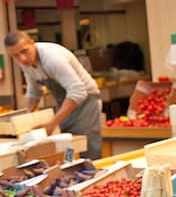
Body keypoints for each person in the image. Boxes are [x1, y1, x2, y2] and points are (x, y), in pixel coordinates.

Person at [4, 31, 103, 159]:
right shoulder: (25, 64)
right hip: (65, 102)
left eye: (24, 51)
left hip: (86, 103)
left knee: (86, 145)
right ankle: (71, 169)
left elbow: (78, 91)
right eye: (15, 56)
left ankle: (94, 173)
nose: (21, 58)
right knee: (68, 144)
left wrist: (51, 125)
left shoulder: (53, 59)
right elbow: (34, 92)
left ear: (32, 43)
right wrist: (25, 118)